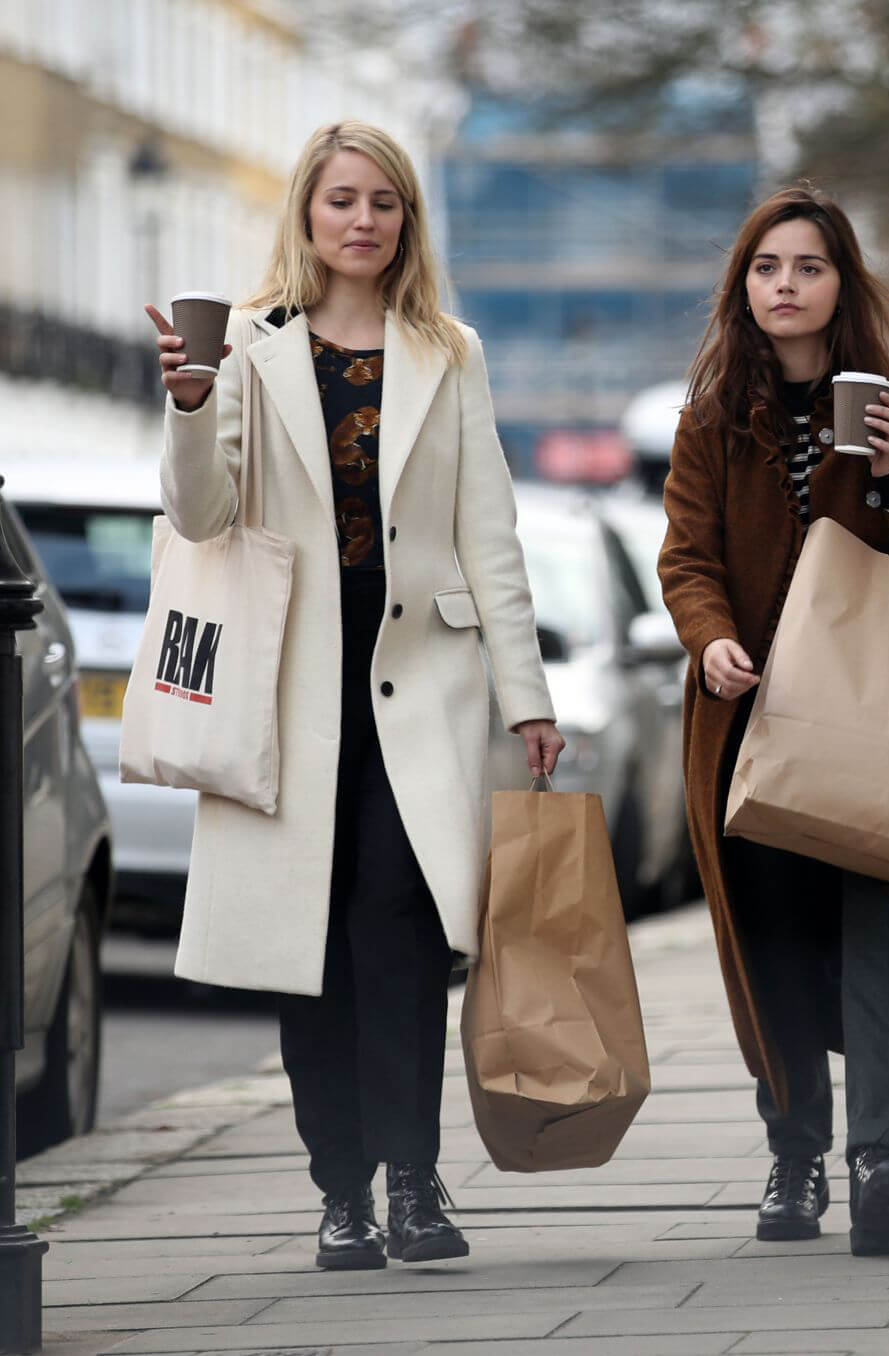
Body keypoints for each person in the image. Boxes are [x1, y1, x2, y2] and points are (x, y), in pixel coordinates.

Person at [147, 121, 564, 1272]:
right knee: (308, 949)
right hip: (286, 692)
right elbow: (201, 515)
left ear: (406, 220)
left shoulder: (449, 350)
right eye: (342, 200)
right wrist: (188, 405)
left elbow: (492, 536)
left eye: (384, 202)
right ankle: (342, 1193)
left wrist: (526, 697)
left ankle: (416, 1184)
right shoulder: (245, 345)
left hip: (416, 689)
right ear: (308, 214)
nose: (364, 221)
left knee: (405, 933)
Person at [657, 183, 889, 1258]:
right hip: (752, 724)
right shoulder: (709, 416)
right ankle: (794, 1157)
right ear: (742, 287)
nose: (785, 286)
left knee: (881, 936)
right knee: (777, 945)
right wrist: (709, 640)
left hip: (877, 724)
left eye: (808, 267)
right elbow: (687, 559)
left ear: (842, 284)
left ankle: (878, 1162)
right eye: (766, 268)